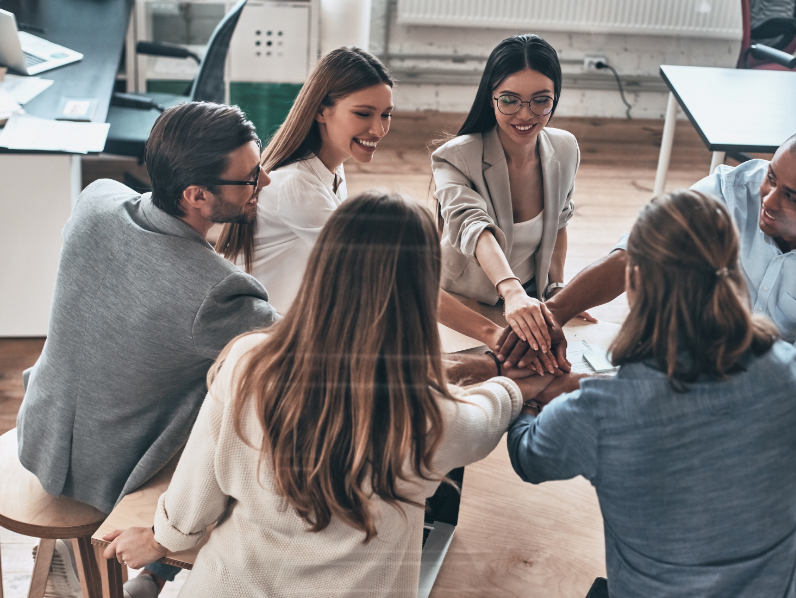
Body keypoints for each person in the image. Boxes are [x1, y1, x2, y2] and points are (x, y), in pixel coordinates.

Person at [101, 190, 557, 597]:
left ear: (324, 267)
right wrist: (517, 385)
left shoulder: (248, 362)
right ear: (419, 293)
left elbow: (196, 491)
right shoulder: (428, 414)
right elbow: (485, 416)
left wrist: (164, 540)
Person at [16, 102, 280, 597]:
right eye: (251, 178)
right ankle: (163, 571)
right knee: (249, 416)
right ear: (197, 194)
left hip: (40, 433)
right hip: (112, 473)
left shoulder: (96, 200)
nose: (263, 183)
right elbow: (312, 347)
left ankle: (104, 569)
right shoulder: (216, 292)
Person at [508, 189, 796, 597]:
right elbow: (687, 405)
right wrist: (584, 388)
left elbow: (529, 457)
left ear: (633, 279)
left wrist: (527, 394)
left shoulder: (601, 414)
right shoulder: (786, 368)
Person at [498, 125, 796, 390]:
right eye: (771, 178)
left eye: (792, 197)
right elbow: (636, 253)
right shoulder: (728, 190)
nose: (767, 201)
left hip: (762, 379)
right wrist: (553, 313)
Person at [217, 46, 506, 350]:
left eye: (386, 115)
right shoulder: (296, 185)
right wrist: (491, 333)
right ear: (320, 110)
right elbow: (395, 276)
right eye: (363, 114)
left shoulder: (330, 169)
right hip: (261, 343)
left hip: (291, 325)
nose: (379, 129)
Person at [432, 34, 580, 357]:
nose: (526, 115)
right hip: (464, 302)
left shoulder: (566, 149)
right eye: (510, 100)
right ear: (491, 98)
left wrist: (556, 288)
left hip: (526, 296)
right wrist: (510, 289)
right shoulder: (454, 158)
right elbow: (475, 228)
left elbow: (559, 223)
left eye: (541, 100)